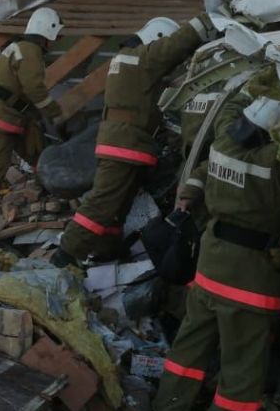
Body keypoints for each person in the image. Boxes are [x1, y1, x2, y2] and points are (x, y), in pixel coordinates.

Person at [150, 92, 280, 411]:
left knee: (190, 344)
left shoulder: (223, 144)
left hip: (211, 263)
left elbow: (223, 122)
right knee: (242, 362)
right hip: (252, 277)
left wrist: (249, 91)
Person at [52, 14, 218, 268]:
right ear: (156, 38)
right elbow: (176, 45)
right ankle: (64, 254)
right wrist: (207, 20)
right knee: (103, 202)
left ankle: (108, 249)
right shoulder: (142, 58)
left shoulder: (124, 60)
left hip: (122, 142)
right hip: (125, 144)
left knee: (118, 204)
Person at [0, 7, 64, 222]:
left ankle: (50, 186)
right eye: (55, 36)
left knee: (35, 149)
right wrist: (55, 112)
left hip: (10, 114)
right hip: (1, 115)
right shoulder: (30, 51)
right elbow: (35, 89)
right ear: (48, 31)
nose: (55, 42)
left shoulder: (20, 47)